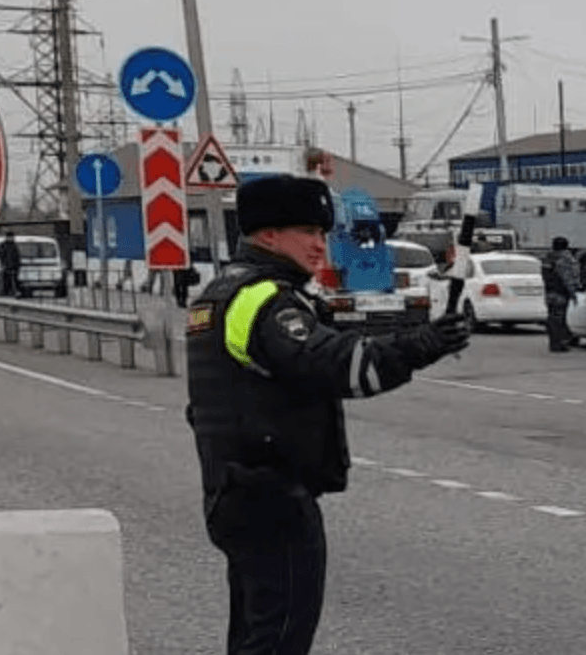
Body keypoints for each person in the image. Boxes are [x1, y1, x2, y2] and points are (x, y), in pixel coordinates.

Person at [186, 174, 471, 655]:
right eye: (308, 232)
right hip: (271, 499)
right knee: (278, 640)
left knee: (255, 636)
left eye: (323, 232)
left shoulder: (221, 293)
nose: (321, 244)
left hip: (237, 492)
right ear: (269, 234)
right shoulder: (264, 299)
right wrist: (424, 344)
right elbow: (336, 367)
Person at [543, 236, 581, 352]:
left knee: (552, 319)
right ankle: (559, 344)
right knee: (559, 319)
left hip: (549, 293)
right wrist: (574, 294)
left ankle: (553, 343)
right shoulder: (565, 259)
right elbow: (567, 278)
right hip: (561, 293)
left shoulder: (547, 259)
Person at [0, 231, 22, 298]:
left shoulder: (14, 245)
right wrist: (4, 263)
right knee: (5, 278)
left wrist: (17, 264)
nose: (11, 238)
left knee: (15, 279)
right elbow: (1, 255)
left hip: (14, 266)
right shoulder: (3, 245)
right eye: (10, 237)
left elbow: (17, 256)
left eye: (12, 237)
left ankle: (15, 291)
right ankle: (6, 290)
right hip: (6, 265)